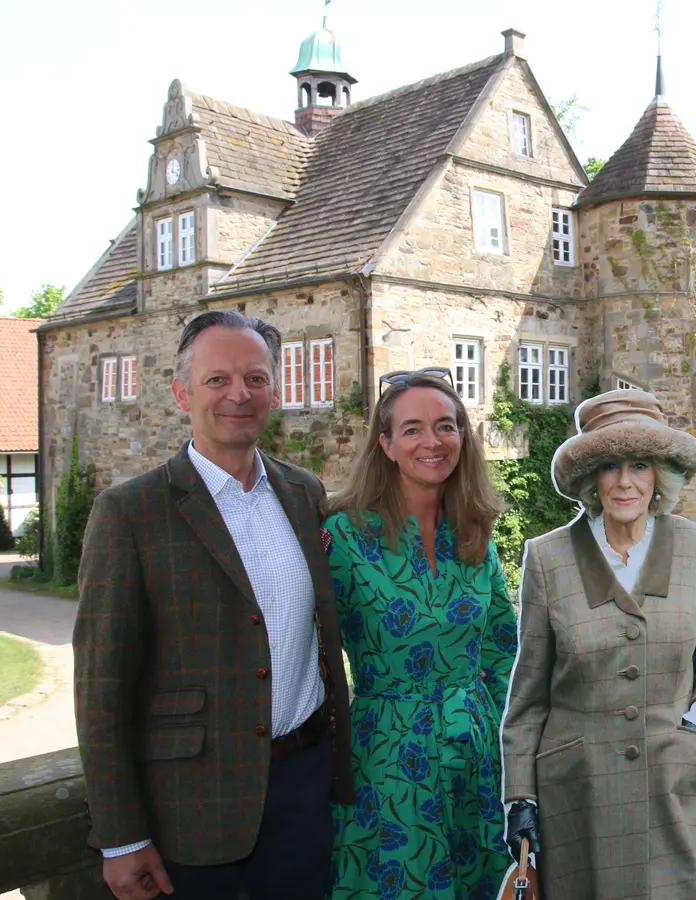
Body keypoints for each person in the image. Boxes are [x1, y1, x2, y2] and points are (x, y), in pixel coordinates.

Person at [73, 310, 354, 900]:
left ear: (274, 392)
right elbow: (101, 691)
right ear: (182, 392)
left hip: (304, 794)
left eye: (255, 378)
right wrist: (121, 838)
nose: (239, 395)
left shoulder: (305, 494)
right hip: (192, 810)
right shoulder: (130, 512)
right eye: (217, 379)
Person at [501, 389, 696, 900]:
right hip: (579, 794)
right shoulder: (547, 558)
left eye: (640, 466)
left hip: (675, 785)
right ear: (590, 479)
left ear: (659, 477)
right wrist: (519, 796)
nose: (625, 482)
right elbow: (529, 694)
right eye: (610, 466)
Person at [321, 367, 517, 900]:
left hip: (478, 759)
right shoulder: (341, 537)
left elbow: (505, 653)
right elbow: (306, 654)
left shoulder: (475, 530)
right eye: (412, 429)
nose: (432, 441)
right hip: (388, 763)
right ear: (385, 444)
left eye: (446, 426)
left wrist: (513, 759)